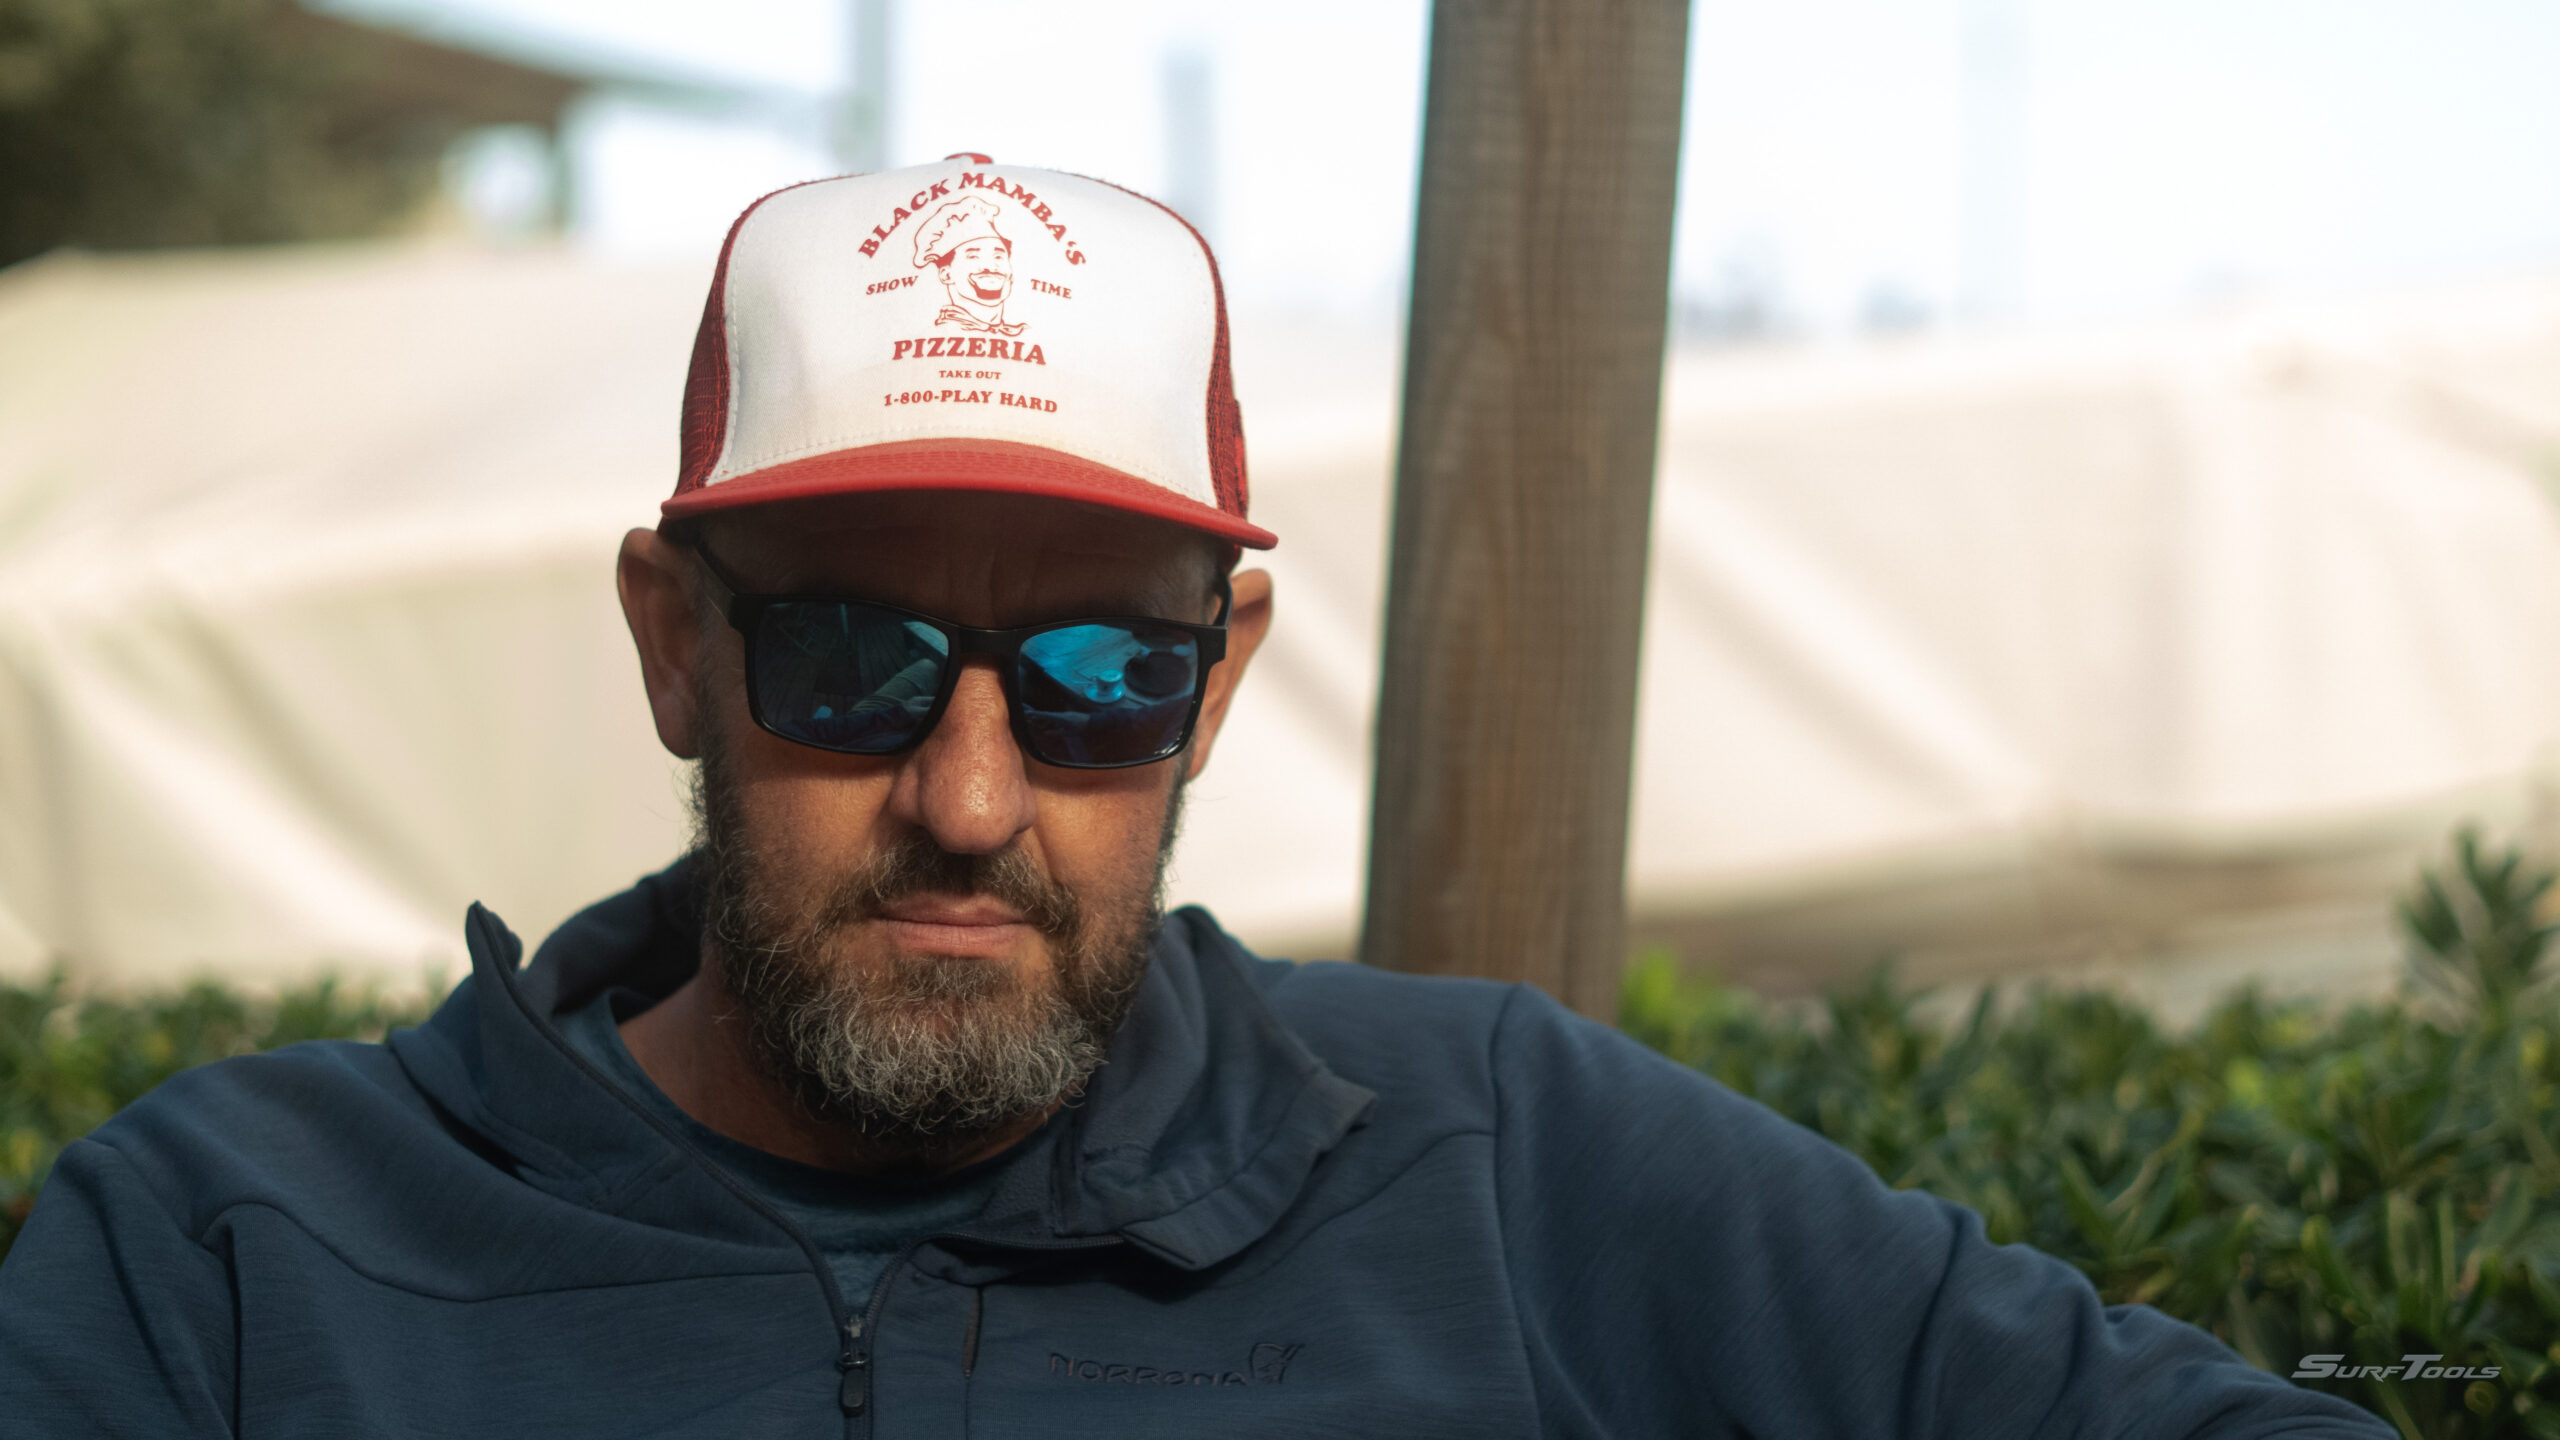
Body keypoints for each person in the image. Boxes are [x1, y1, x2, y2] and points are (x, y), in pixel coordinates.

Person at [0, 157, 2390, 1438]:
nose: (968, 797)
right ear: (672, 648)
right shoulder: (229, 1253)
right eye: (851, 660)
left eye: (1098, 678)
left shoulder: (1505, 1155)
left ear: (1218, 682)